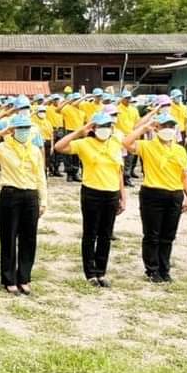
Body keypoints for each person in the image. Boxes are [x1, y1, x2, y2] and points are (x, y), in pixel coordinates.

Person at [0, 113, 47, 294]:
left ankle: (24, 277)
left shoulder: (34, 150)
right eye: (20, 128)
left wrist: (43, 200)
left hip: (31, 195)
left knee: (29, 238)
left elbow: (40, 176)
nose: (24, 131)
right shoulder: (3, 148)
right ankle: (9, 279)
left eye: (26, 128)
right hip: (11, 195)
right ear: (13, 130)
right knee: (8, 237)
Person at [55, 112, 126, 287]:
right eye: (100, 126)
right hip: (92, 193)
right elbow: (59, 147)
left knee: (105, 235)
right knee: (90, 233)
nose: (104, 129)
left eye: (107, 126)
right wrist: (80, 131)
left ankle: (101, 271)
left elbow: (119, 171)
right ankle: (90, 273)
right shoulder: (84, 143)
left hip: (112, 193)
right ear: (93, 128)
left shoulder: (115, 143)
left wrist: (122, 196)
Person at [123, 110, 187, 283]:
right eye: (164, 126)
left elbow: (184, 175)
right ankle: (152, 269)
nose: (168, 129)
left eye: (171, 126)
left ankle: (164, 269)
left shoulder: (180, 150)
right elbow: (126, 142)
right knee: (152, 235)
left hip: (174, 194)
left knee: (168, 235)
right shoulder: (147, 146)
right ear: (156, 128)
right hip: (153, 193)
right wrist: (144, 128)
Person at [58, 92, 87, 182]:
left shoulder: (82, 110)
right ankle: (69, 173)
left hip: (80, 133)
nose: (78, 101)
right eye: (76, 99)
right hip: (70, 132)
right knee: (69, 154)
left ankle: (76, 173)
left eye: (79, 99)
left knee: (77, 154)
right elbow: (57, 110)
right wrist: (67, 101)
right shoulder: (67, 108)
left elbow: (85, 122)